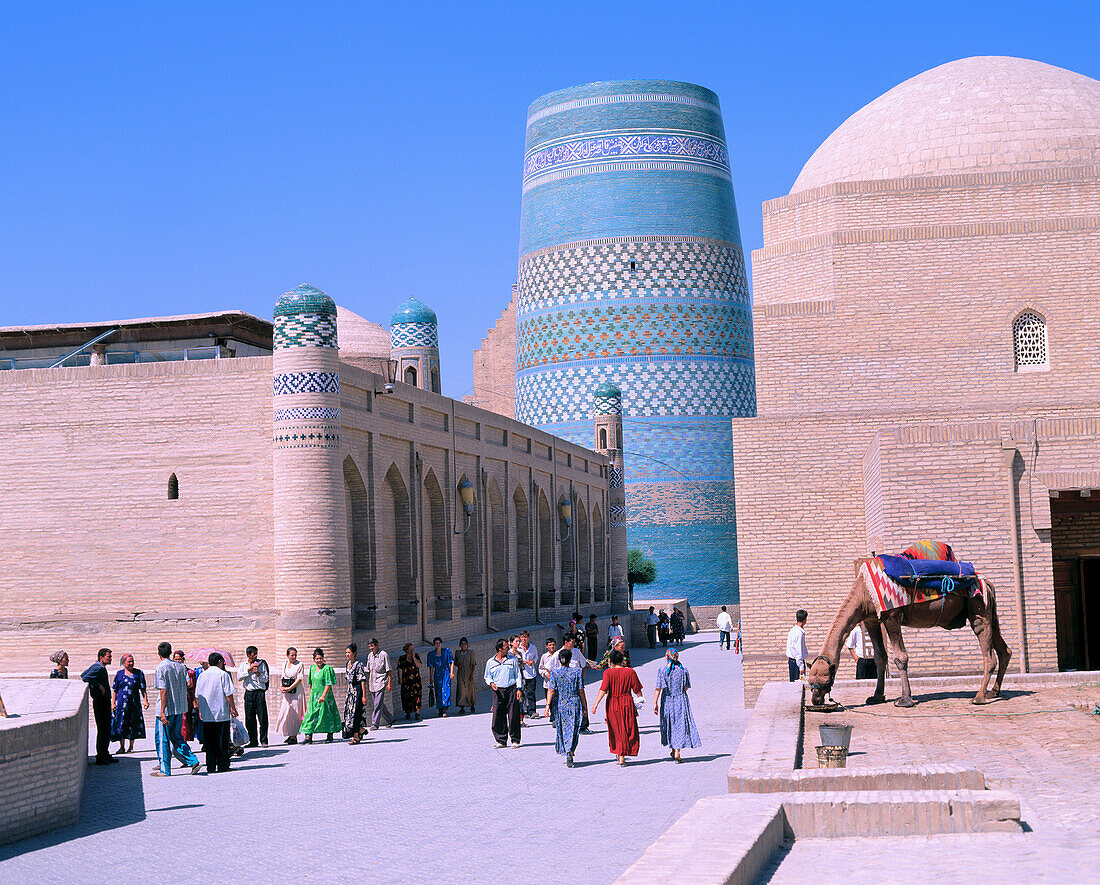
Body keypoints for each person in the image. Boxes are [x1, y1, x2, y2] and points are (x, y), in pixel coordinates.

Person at [150, 641, 201, 776]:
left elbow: (163, 691)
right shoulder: (180, 666)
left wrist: (162, 712)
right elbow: (189, 683)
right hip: (179, 708)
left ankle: (164, 769)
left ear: (159, 653)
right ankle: (193, 760)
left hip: (166, 710)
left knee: (163, 739)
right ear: (171, 652)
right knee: (177, 737)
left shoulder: (161, 667)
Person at [590, 649, 643, 766]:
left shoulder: (608, 673)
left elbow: (603, 690)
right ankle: (622, 754)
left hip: (612, 703)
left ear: (611, 661)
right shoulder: (631, 672)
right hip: (627, 702)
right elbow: (637, 691)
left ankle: (620, 755)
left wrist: (595, 704)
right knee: (627, 727)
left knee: (616, 729)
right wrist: (640, 701)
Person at [653, 650, 701, 762]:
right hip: (681, 699)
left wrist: (655, 703)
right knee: (680, 725)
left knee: (670, 724)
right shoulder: (683, 670)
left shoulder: (663, 670)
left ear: (667, 657)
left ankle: (675, 750)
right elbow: (686, 687)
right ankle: (677, 752)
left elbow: (658, 688)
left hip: (667, 700)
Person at [194, 652, 237, 773]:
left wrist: (200, 710)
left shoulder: (202, 675)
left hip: (207, 714)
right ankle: (223, 765)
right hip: (221, 713)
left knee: (209, 742)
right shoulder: (223, 675)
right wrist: (233, 708)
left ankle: (211, 766)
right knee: (222, 741)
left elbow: (197, 695)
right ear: (219, 662)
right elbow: (229, 694)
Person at [546, 648, 588, 767]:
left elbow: (551, 690)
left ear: (559, 660)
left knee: (563, 728)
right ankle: (570, 749)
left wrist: (547, 706)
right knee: (574, 728)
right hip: (574, 702)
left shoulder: (555, 673)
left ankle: (567, 749)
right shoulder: (577, 672)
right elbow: (581, 691)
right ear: (570, 660)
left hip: (561, 704)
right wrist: (585, 707)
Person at [484, 638, 523, 748]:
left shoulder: (512, 660)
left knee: (513, 715)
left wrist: (519, 688)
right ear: (500, 649)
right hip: (498, 692)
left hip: (511, 690)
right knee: (498, 715)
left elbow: (518, 675)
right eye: (506, 647)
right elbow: (487, 676)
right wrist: (491, 683)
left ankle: (515, 740)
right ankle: (501, 740)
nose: (508, 649)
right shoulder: (490, 662)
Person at [82, 648, 116, 765]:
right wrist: (98, 685)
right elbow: (84, 677)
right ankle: (101, 756)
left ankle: (104, 753)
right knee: (103, 729)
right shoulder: (98, 667)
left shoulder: (99, 667)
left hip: (103, 701)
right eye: (108, 656)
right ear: (101, 657)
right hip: (100, 702)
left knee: (106, 728)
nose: (110, 658)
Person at [110, 653, 148, 754]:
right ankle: (121, 746)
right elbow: (115, 690)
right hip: (121, 704)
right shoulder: (119, 674)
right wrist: (113, 703)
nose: (131, 663)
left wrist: (146, 700)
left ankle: (131, 747)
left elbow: (143, 688)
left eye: (132, 661)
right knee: (121, 723)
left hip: (134, 704)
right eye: (129, 662)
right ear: (123, 663)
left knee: (133, 723)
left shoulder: (138, 673)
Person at [302, 648, 340, 743]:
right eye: (317, 659)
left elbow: (328, 684)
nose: (319, 660)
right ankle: (308, 737)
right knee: (310, 716)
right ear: (314, 659)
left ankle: (330, 735)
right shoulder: (312, 668)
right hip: (314, 697)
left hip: (325, 697)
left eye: (320, 658)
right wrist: (311, 696)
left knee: (327, 715)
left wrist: (323, 696)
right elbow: (311, 684)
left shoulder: (327, 669)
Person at [236, 645, 270, 748]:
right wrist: (248, 670)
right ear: (248, 655)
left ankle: (264, 740)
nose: (255, 655)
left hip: (259, 693)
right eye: (253, 653)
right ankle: (253, 740)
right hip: (249, 693)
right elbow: (239, 677)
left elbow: (266, 679)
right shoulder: (243, 665)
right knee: (249, 718)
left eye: (256, 653)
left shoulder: (262, 664)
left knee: (262, 717)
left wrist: (258, 673)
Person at [561, 633, 594, 734]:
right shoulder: (559, 653)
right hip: (565, 685)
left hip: (577, 683)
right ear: (566, 642)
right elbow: (550, 667)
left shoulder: (576, 652)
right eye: (572, 642)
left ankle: (584, 726)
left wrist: (582, 677)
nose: (574, 644)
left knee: (582, 702)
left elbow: (583, 664)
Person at [276, 646, 306, 744]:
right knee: (286, 712)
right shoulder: (284, 664)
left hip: (296, 692)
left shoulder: (300, 664)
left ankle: (294, 736)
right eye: (292, 655)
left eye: (295, 655)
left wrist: (290, 688)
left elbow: (299, 678)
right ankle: (289, 734)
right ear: (287, 655)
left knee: (295, 713)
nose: (294, 657)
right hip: (287, 693)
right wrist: (281, 687)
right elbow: (282, 677)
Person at [342, 643, 369, 744]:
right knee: (349, 714)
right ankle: (361, 730)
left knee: (356, 714)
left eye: (349, 652)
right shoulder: (347, 664)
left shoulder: (359, 665)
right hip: (350, 692)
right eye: (346, 653)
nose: (347, 654)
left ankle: (356, 737)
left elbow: (362, 680)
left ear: (354, 653)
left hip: (358, 691)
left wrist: (364, 695)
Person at [365, 638, 393, 730]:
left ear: (377, 645)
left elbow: (389, 670)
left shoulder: (384, 655)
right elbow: (369, 670)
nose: (371, 648)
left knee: (377, 704)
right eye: (369, 646)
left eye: (372, 646)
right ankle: (390, 719)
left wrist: (389, 683)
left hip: (381, 682)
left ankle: (375, 724)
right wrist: (369, 683)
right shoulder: (370, 656)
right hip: (372, 683)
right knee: (379, 703)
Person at [172, 651, 198, 742]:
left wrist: (195, 702)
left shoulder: (190, 672)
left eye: (180, 659)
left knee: (185, 721)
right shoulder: (171, 672)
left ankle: (184, 741)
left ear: (183, 660)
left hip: (187, 700)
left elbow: (194, 688)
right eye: (176, 659)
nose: (178, 661)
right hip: (175, 700)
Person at [427, 637, 454, 717]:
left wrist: (451, 672)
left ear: (441, 644)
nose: (438, 645)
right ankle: (440, 709)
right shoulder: (431, 654)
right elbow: (431, 667)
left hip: (446, 673)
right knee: (438, 691)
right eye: (436, 643)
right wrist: (431, 677)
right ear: (434, 645)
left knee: (446, 690)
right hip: (437, 674)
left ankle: (445, 708)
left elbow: (451, 662)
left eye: (439, 643)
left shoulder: (446, 652)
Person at [396, 643, 423, 720]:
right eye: (410, 649)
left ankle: (417, 712)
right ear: (406, 650)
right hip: (406, 681)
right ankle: (407, 712)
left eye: (413, 649)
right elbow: (399, 668)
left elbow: (419, 665)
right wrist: (399, 678)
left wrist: (414, 658)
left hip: (416, 681)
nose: (412, 651)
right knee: (406, 696)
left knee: (417, 696)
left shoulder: (416, 656)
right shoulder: (402, 658)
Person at [538, 637, 560, 723]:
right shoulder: (544, 657)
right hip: (547, 683)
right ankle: (552, 714)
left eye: (553, 645)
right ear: (546, 646)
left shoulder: (558, 655)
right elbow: (540, 668)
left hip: (557, 683)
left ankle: (555, 717)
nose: (552, 646)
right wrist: (545, 674)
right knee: (549, 700)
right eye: (550, 645)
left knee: (556, 700)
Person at [518, 631, 539, 720]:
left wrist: (532, 661)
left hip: (531, 673)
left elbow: (536, 657)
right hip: (522, 674)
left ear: (528, 637)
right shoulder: (518, 649)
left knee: (531, 692)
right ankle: (524, 711)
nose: (524, 639)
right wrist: (524, 662)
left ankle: (532, 711)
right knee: (522, 694)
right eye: (522, 637)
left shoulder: (532, 647)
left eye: (525, 637)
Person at [453, 637, 477, 714]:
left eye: (465, 644)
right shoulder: (457, 653)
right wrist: (457, 665)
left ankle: (472, 704)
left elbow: (473, 664)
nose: (463, 645)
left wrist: (472, 675)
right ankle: (462, 707)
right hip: (460, 674)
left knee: (470, 689)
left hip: (469, 673)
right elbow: (455, 661)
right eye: (462, 644)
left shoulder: (471, 653)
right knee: (461, 689)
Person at [786, 609, 809, 682]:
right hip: (797, 664)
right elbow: (798, 651)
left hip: (792, 662)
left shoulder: (792, 630)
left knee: (793, 684)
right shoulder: (799, 633)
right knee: (799, 684)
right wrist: (801, 667)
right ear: (805, 620)